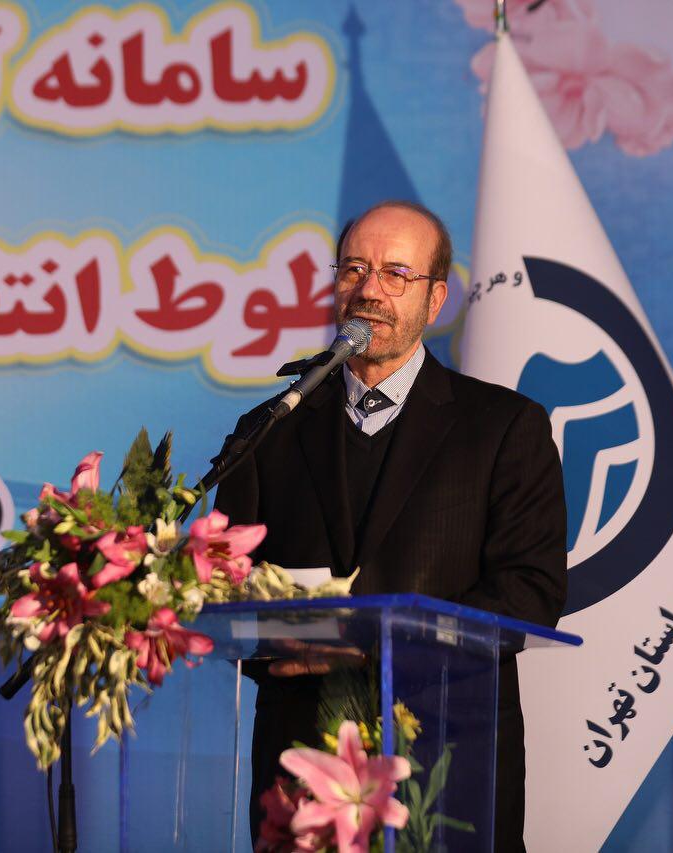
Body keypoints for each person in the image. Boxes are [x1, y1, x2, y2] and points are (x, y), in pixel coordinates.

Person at [213, 200, 568, 852]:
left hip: (446, 764)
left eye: (396, 274)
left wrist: (372, 647)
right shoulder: (268, 431)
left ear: (436, 300)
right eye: (354, 269)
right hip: (302, 770)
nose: (369, 289)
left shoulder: (504, 429)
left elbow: (529, 593)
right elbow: (229, 588)